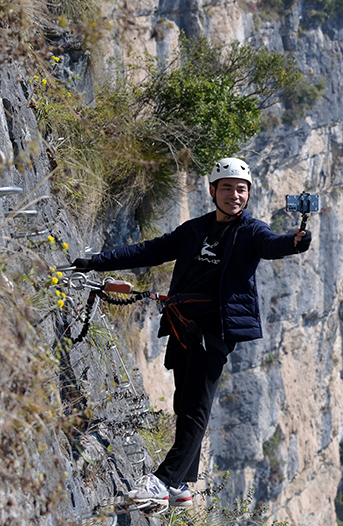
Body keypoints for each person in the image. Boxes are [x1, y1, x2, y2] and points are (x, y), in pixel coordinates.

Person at [72, 157, 312, 507]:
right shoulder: (195, 229)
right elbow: (149, 250)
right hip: (183, 326)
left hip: (214, 332)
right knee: (184, 403)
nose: (235, 195)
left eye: (241, 189)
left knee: (196, 408)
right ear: (213, 191)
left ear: (248, 196)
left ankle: (162, 481)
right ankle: (182, 483)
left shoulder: (251, 232)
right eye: (227, 188)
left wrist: (296, 241)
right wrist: (97, 261)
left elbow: (274, 245)